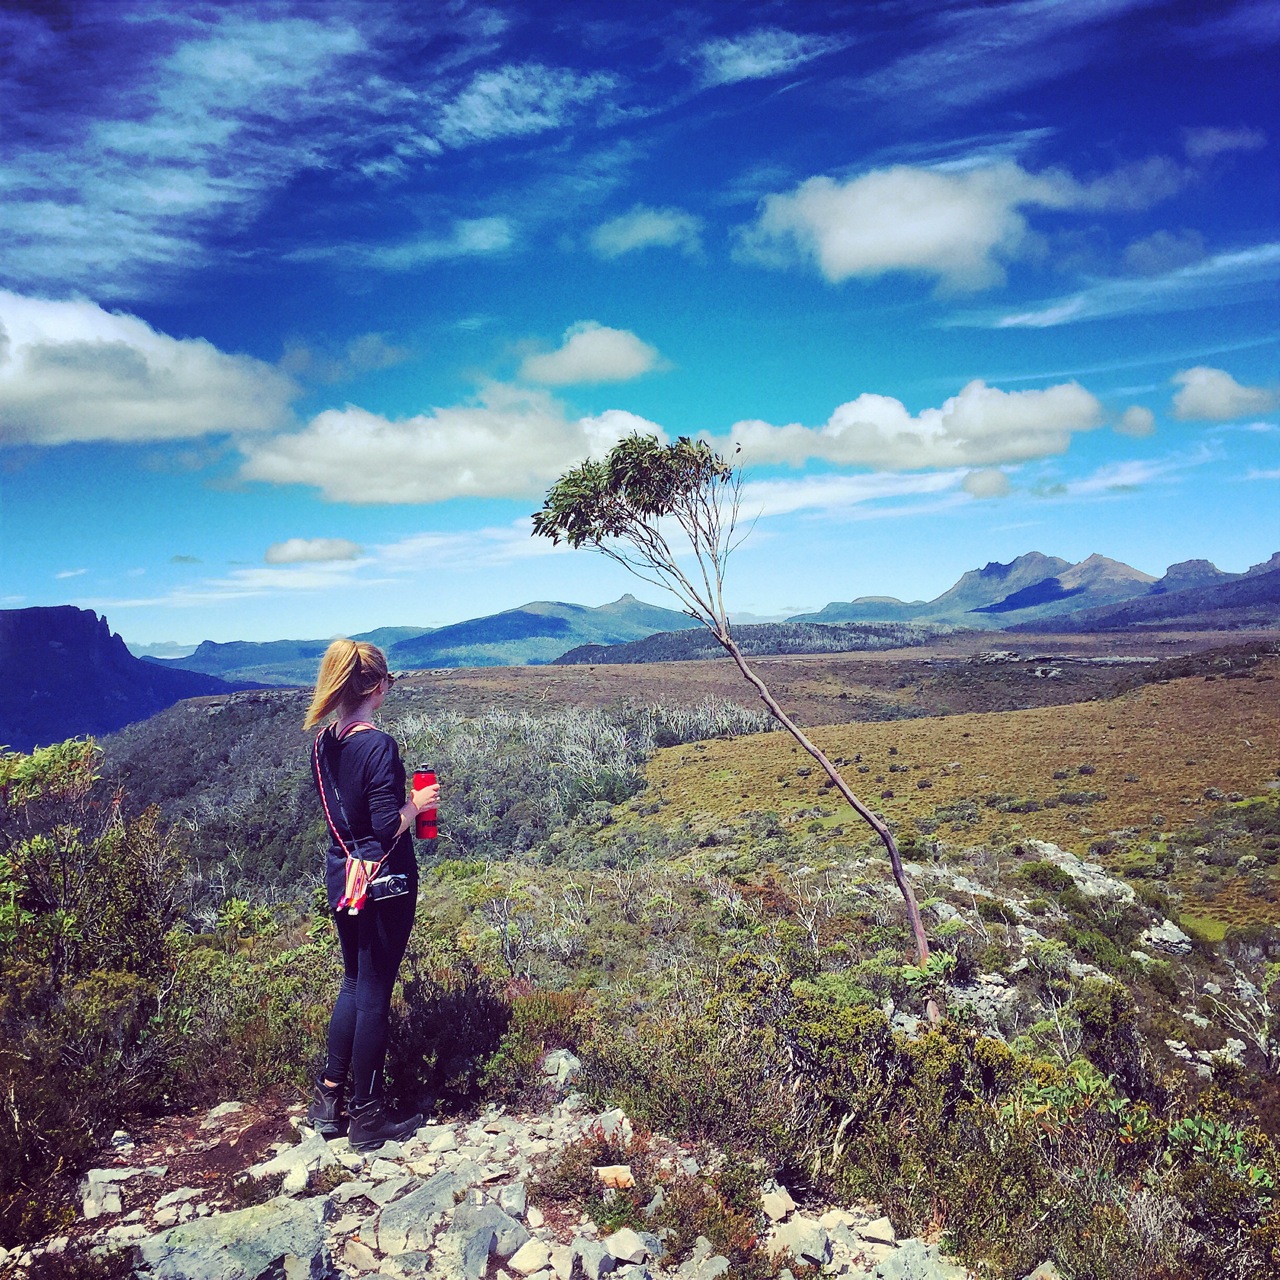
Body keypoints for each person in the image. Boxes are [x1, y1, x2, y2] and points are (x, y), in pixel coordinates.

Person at [302, 638, 439, 1151]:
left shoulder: (324, 743)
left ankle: (330, 1099)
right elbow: (385, 828)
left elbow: (348, 819)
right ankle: (367, 1115)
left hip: (345, 877)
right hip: (385, 883)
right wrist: (417, 803)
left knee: (354, 984)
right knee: (375, 995)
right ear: (378, 686)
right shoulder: (377, 745)